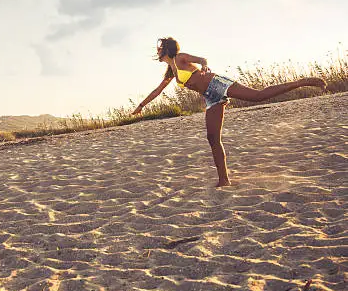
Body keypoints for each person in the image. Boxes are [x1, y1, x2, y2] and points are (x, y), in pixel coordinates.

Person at [132, 37, 326, 187]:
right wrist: (141, 106)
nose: (157, 51)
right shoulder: (170, 71)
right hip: (210, 97)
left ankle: (302, 82)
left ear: (166, 49)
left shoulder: (181, 58)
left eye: (159, 48)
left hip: (217, 84)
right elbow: (157, 91)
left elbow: (201, 59)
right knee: (212, 137)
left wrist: (204, 65)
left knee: (257, 96)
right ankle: (224, 180)